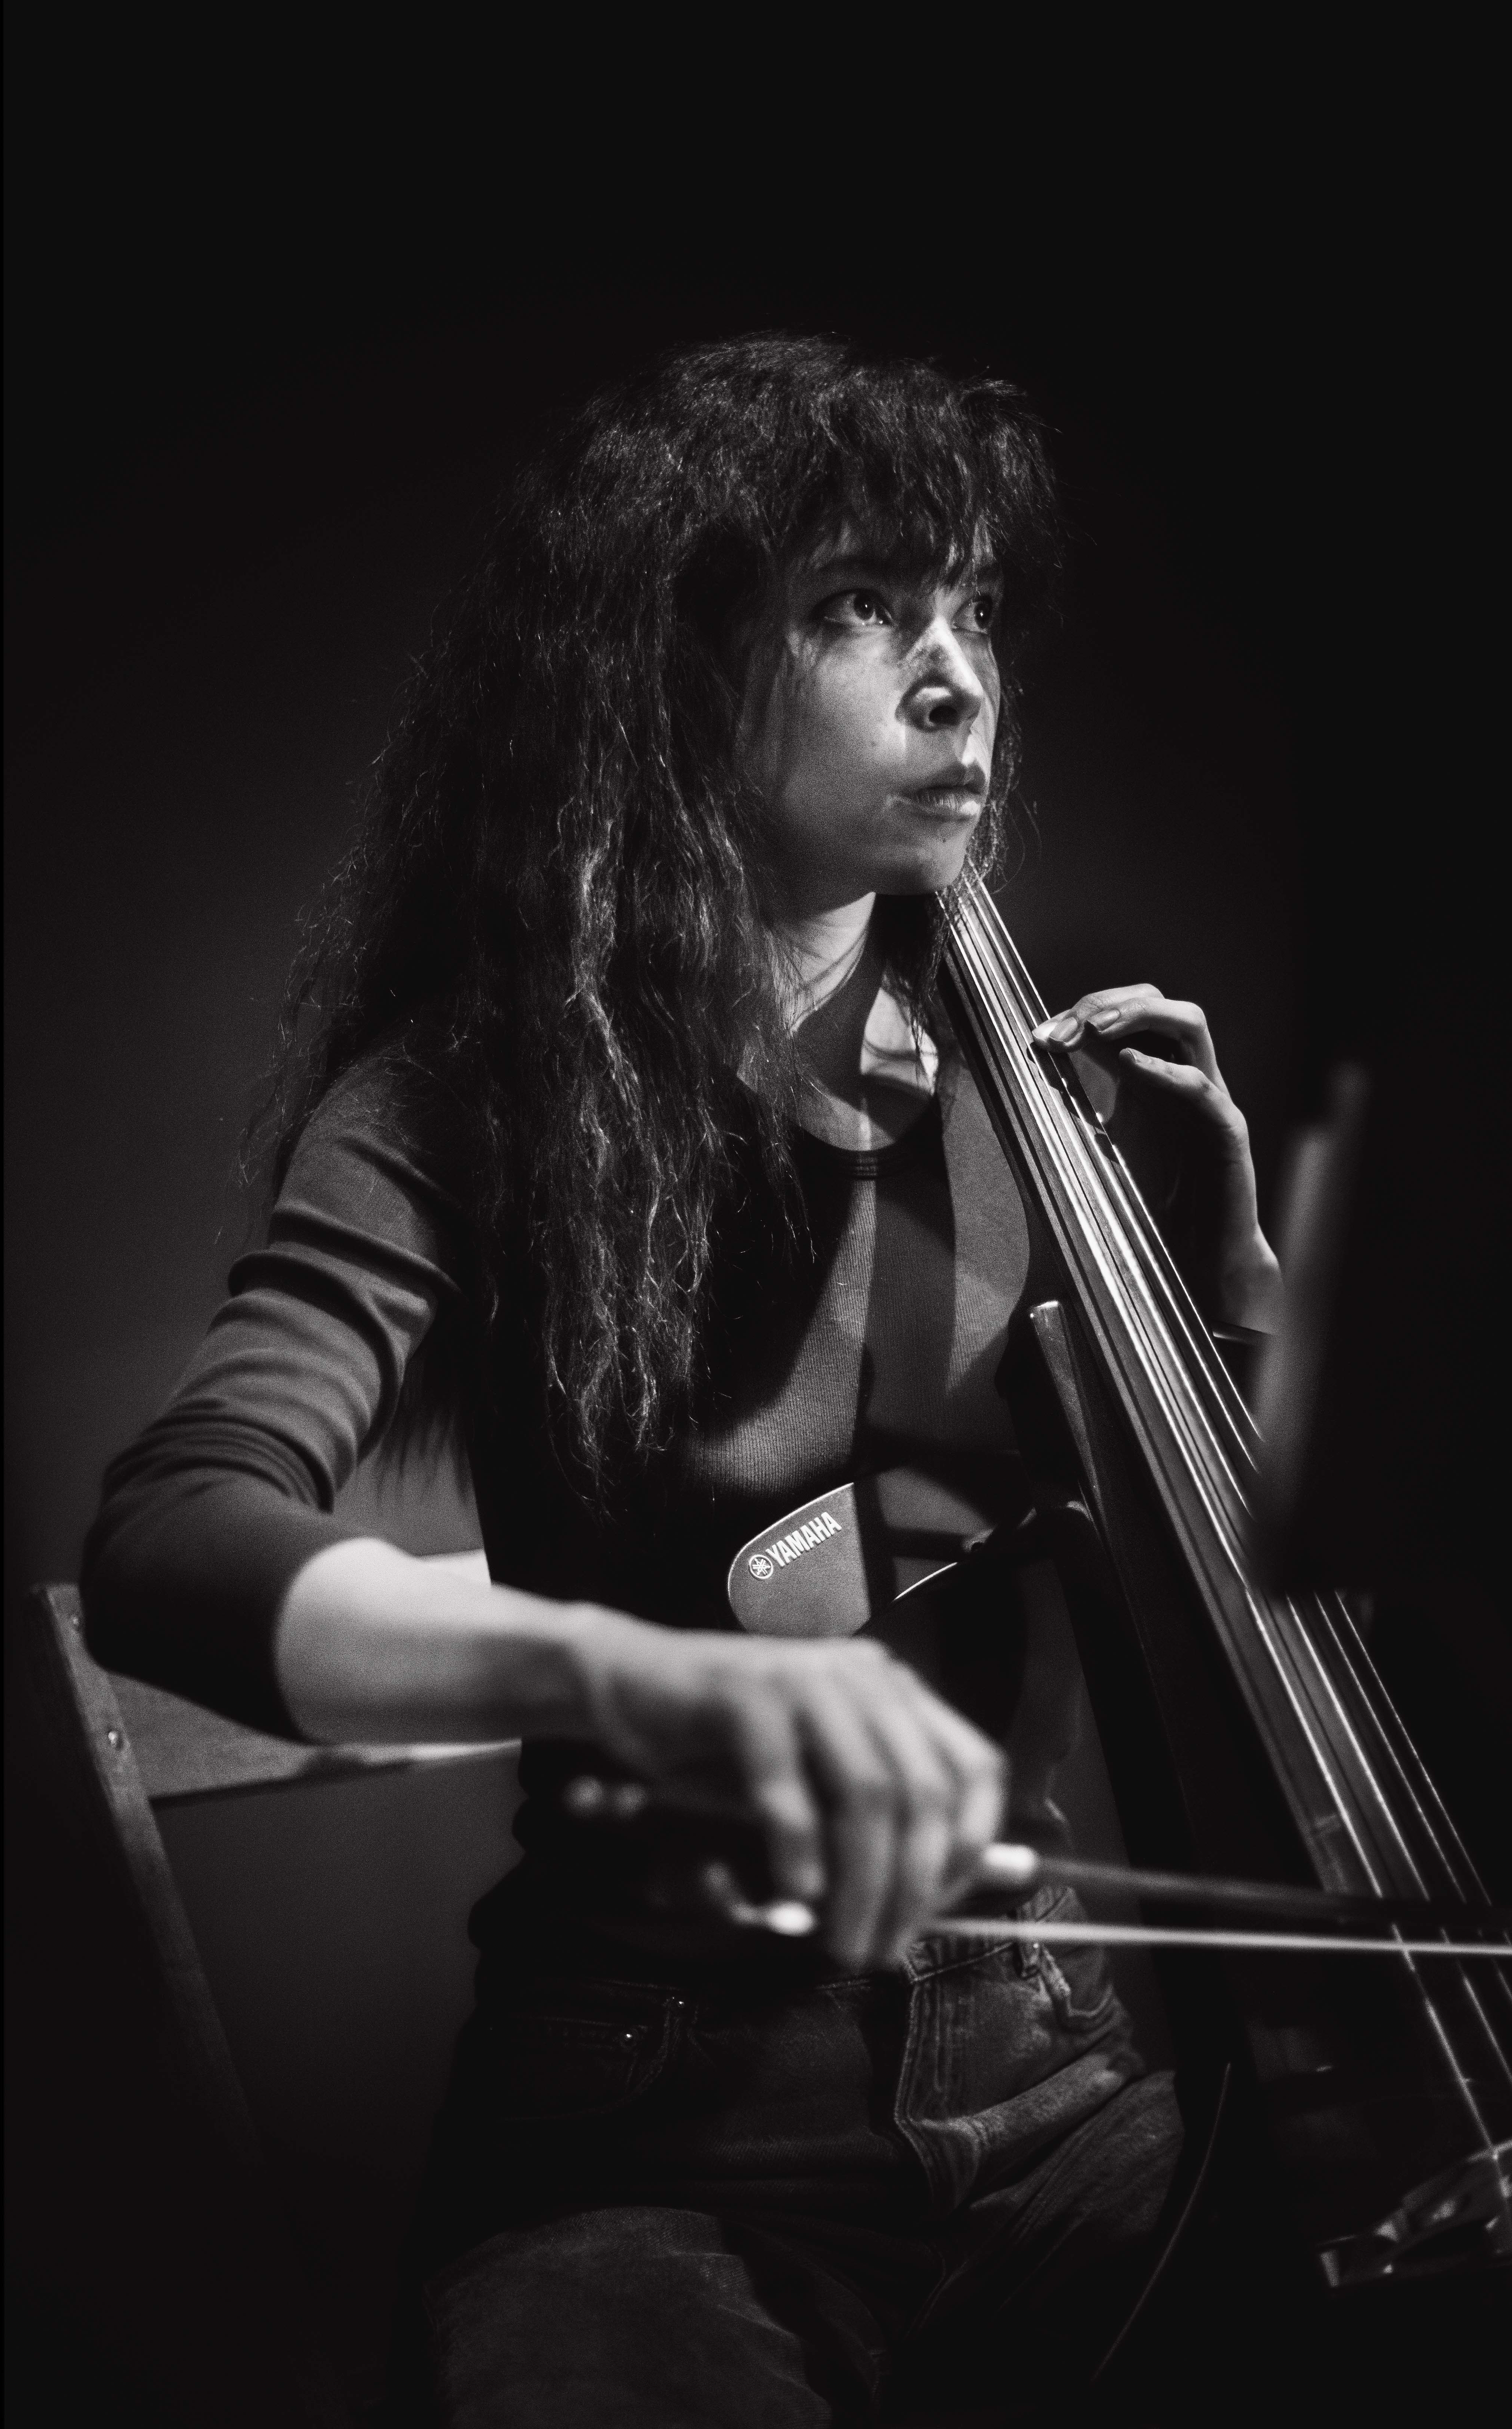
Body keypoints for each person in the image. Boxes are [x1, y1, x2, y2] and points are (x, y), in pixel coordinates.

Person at [83, 335, 1281, 2426]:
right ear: (673, 671)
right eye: (861, 608)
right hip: (667, 2159)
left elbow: (1244, 1606)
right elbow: (172, 1544)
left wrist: (1236, 1287)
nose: (955, 678)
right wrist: (630, 1677)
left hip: (1086, 2116)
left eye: (972, 607)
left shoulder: (1048, 1105)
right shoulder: (463, 1104)